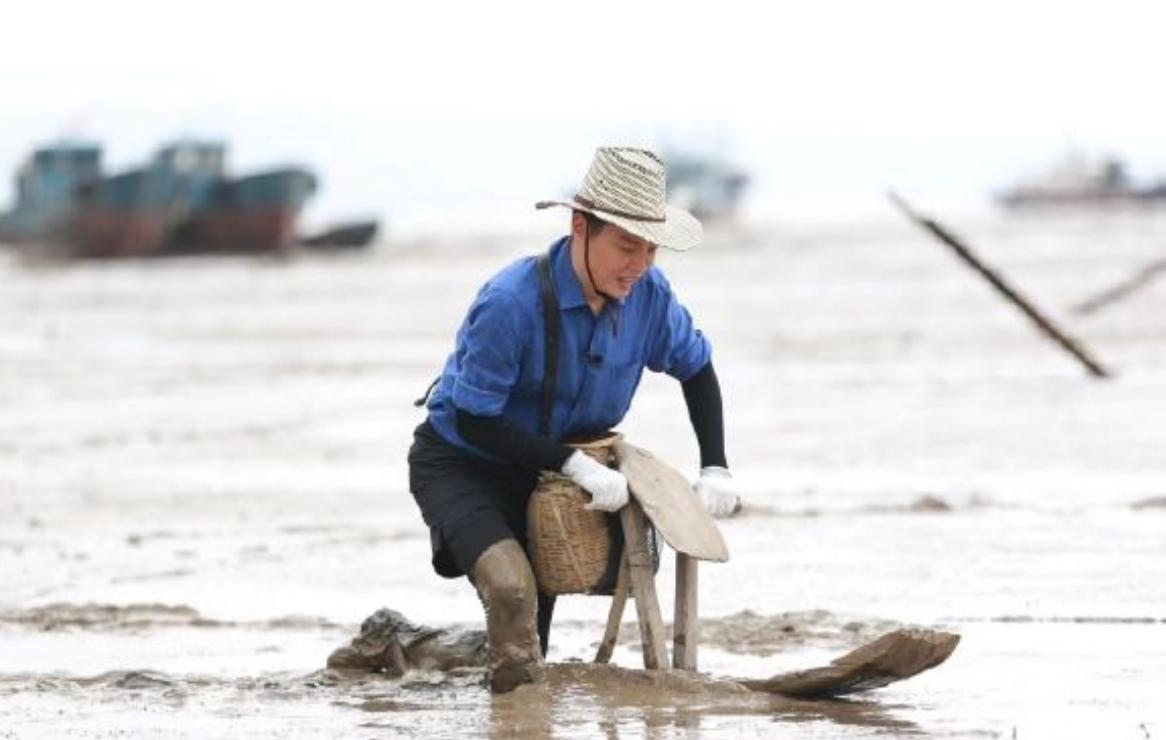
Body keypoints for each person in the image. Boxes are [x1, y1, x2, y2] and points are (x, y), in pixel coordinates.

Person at [407, 146, 739, 693]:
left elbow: (697, 369)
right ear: (579, 226)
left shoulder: (648, 294)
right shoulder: (509, 302)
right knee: (512, 591)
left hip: (544, 478)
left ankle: (405, 645)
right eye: (627, 246)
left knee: (526, 644)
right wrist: (575, 465)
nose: (640, 265)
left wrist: (717, 466)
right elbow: (473, 420)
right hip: (461, 463)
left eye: (652, 249)